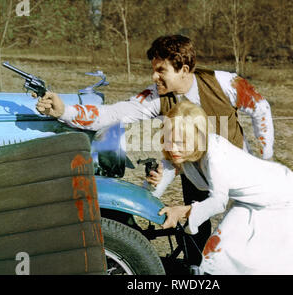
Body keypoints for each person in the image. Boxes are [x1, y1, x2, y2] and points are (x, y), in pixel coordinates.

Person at [34, 35, 275, 265]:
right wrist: (64, 111)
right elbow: (113, 114)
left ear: (184, 69)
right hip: (195, 172)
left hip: (236, 172)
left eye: (161, 70)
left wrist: (264, 160)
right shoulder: (156, 97)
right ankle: (195, 271)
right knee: (195, 231)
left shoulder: (223, 82)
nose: (154, 76)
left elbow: (261, 108)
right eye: (153, 69)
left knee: (247, 234)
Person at [155, 100, 293, 275]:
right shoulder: (183, 154)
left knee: (285, 260)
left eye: (180, 143)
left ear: (198, 139)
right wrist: (154, 182)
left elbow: (218, 201)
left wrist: (180, 211)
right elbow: (160, 178)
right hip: (250, 201)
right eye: (169, 141)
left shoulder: (215, 153)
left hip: (284, 196)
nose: (173, 148)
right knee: (223, 253)